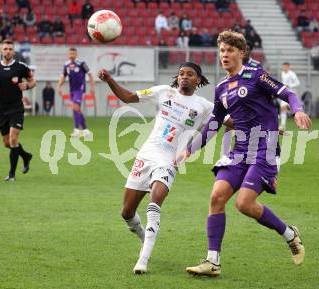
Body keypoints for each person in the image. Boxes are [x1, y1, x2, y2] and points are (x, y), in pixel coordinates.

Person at [184, 31, 311, 277]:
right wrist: (189, 149)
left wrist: (297, 111)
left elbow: (289, 94)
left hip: (264, 150)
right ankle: (213, 262)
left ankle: (289, 234)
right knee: (217, 197)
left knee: (244, 204)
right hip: (239, 151)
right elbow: (214, 123)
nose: (224, 55)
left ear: (241, 53)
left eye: (230, 50)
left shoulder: (257, 76)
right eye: (222, 51)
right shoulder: (221, 87)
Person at [98, 62, 230, 274]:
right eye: (181, 73)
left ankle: (143, 260)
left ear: (198, 80)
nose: (184, 77)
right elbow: (128, 97)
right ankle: (144, 238)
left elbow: (228, 121)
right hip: (146, 155)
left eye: (189, 74)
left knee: (154, 203)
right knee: (126, 212)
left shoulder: (204, 106)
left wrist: (267, 125)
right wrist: (110, 80)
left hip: (169, 160)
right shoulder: (163, 92)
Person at [0, 39, 35, 181]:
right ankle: (26, 156)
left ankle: (12, 175)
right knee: (7, 143)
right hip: (1, 109)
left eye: (10, 49)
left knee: (13, 139)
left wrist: (27, 86)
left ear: (13, 51)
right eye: (5, 48)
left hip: (16, 108)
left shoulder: (21, 67)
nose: (7, 51)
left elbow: (33, 81)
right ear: (1, 51)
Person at [57, 47, 95, 137]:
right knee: (76, 109)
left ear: (76, 54)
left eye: (73, 54)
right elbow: (63, 76)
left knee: (75, 107)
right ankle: (85, 130)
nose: (71, 55)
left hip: (80, 89)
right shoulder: (66, 65)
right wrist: (58, 86)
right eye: (70, 54)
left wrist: (92, 87)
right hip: (72, 90)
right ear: (68, 55)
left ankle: (77, 130)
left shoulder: (81, 63)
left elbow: (90, 74)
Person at [280, 62, 300, 130]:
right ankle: (283, 125)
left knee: (295, 111)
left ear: (288, 67)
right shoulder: (282, 73)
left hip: (292, 93)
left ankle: (300, 123)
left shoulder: (292, 74)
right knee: (283, 108)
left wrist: (290, 85)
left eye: (285, 66)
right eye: (283, 66)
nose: (284, 68)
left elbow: (298, 83)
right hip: (285, 92)